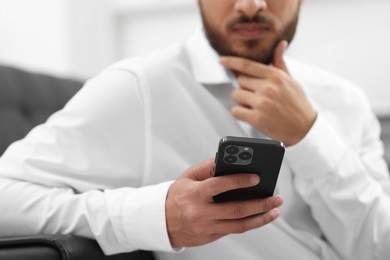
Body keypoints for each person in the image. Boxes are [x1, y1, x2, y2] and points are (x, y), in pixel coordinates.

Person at [0, 0, 389, 259]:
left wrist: (310, 136)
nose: (251, 4)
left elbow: (379, 246)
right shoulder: (142, 88)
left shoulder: (344, 99)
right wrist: (152, 217)